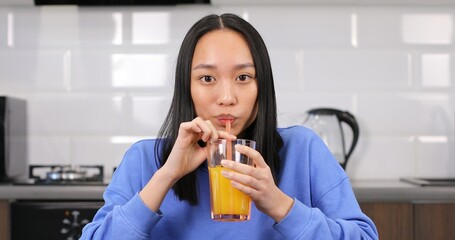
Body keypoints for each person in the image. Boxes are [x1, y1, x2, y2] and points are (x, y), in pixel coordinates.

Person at [81, 13, 378, 240]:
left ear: (263, 86)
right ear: (187, 87)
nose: (226, 98)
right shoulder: (145, 160)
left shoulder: (303, 150)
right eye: (207, 79)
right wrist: (167, 175)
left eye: (244, 78)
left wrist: (281, 206)